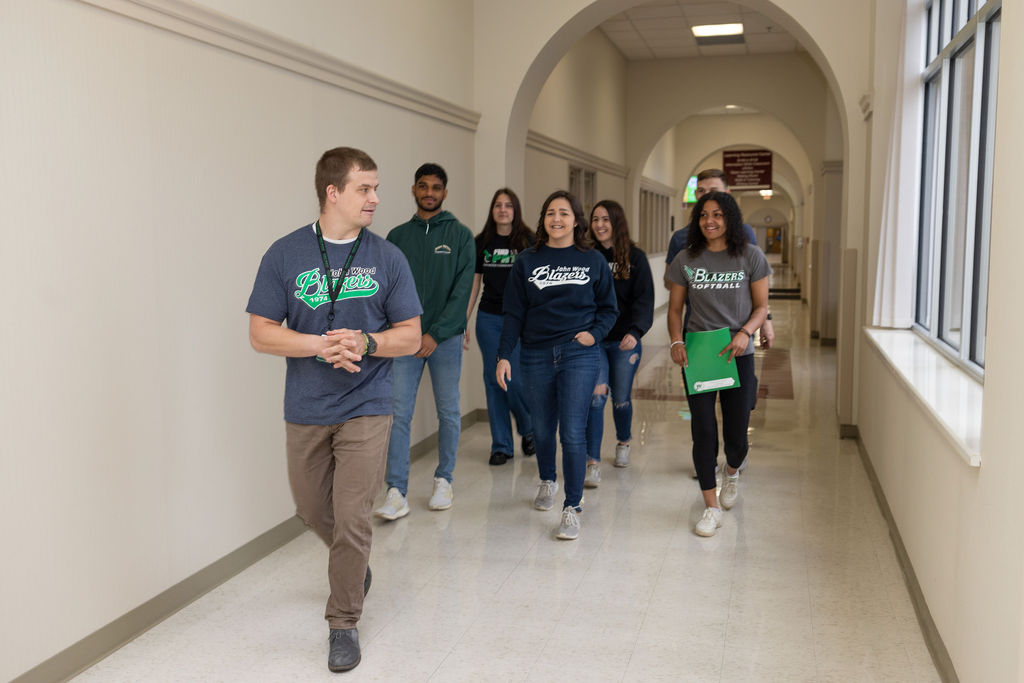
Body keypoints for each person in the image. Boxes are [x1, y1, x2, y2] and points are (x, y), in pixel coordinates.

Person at [246, 147, 422, 672]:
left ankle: (343, 622)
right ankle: (354, 563)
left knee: (352, 515)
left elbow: (410, 336)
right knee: (310, 507)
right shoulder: (285, 254)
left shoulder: (388, 257)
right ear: (333, 192)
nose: (375, 198)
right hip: (306, 404)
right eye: (364, 188)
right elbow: (260, 332)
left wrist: (366, 344)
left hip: (367, 401)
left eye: (375, 188)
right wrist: (319, 345)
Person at [497, 190, 618, 541]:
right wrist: (504, 354)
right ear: (543, 219)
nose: (557, 219)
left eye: (564, 213)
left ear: (576, 220)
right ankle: (548, 480)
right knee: (542, 428)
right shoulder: (527, 261)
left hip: (578, 353)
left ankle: (572, 506)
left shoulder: (592, 260)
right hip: (534, 353)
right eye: (550, 212)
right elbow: (513, 313)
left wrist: (593, 336)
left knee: (573, 431)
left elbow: (609, 309)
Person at [665, 191, 771, 538]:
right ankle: (711, 507)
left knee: (737, 435)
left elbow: (760, 308)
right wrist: (677, 340)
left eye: (718, 215)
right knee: (703, 431)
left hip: (737, 353)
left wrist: (745, 334)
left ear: (730, 219)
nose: (710, 221)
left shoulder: (750, 256)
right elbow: (675, 309)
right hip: (700, 354)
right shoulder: (685, 258)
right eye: (704, 215)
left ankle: (733, 469)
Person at [375, 163, 475, 521]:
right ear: (414, 190)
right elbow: (385, 291)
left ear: (445, 193)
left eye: (436, 187)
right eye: (423, 186)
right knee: (398, 414)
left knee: (448, 411)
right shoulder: (397, 236)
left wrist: (435, 333)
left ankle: (443, 480)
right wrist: (398, 334)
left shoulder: (462, 236)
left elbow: (463, 292)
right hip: (404, 341)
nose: (429, 192)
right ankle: (396, 490)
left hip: (443, 339)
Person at [584, 200, 654, 487]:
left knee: (621, 398)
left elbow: (644, 299)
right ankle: (592, 463)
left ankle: (623, 442)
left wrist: (636, 332)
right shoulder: (585, 256)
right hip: (595, 340)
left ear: (617, 223)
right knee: (596, 397)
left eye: (605, 219)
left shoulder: (635, 258)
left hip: (625, 341)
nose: (599, 224)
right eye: (595, 219)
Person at [464, 188, 536, 466]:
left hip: (520, 321)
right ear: (492, 210)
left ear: (515, 210)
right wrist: (464, 321)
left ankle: (528, 426)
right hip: (489, 319)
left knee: (514, 379)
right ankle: (501, 445)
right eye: (498, 205)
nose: (503, 210)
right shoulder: (481, 242)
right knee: (493, 380)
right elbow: (474, 285)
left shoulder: (529, 241)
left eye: (508, 205)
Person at [665, 168, 773, 348]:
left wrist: (766, 321)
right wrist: (701, 283)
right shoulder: (680, 239)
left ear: (727, 194)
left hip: (738, 332)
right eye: (701, 191)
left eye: (713, 191)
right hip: (698, 329)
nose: (706, 195)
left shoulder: (745, 235)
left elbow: (756, 283)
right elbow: (671, 283)